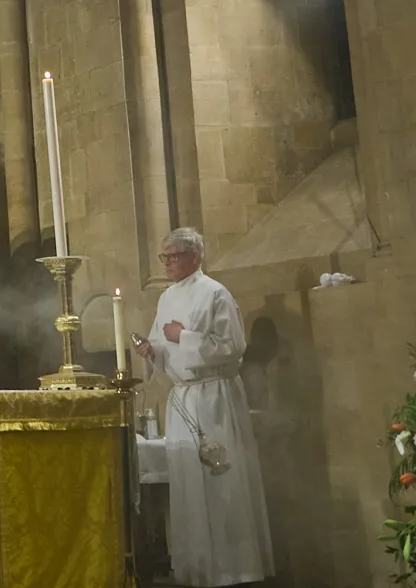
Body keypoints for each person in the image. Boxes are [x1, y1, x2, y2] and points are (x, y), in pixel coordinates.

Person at [132, 227, 273, 587]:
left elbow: (232, 347)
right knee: (188, 486)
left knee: (220, 482)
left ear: (195, 256)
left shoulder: (215, 294)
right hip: (182, 398)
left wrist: (185, 337)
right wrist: (152, 351)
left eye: (174, 256)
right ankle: (198, 569)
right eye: (164, 257)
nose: (167, 263)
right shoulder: (166, 298)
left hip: (214, 399)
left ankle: (233, 570)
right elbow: (162, 344)